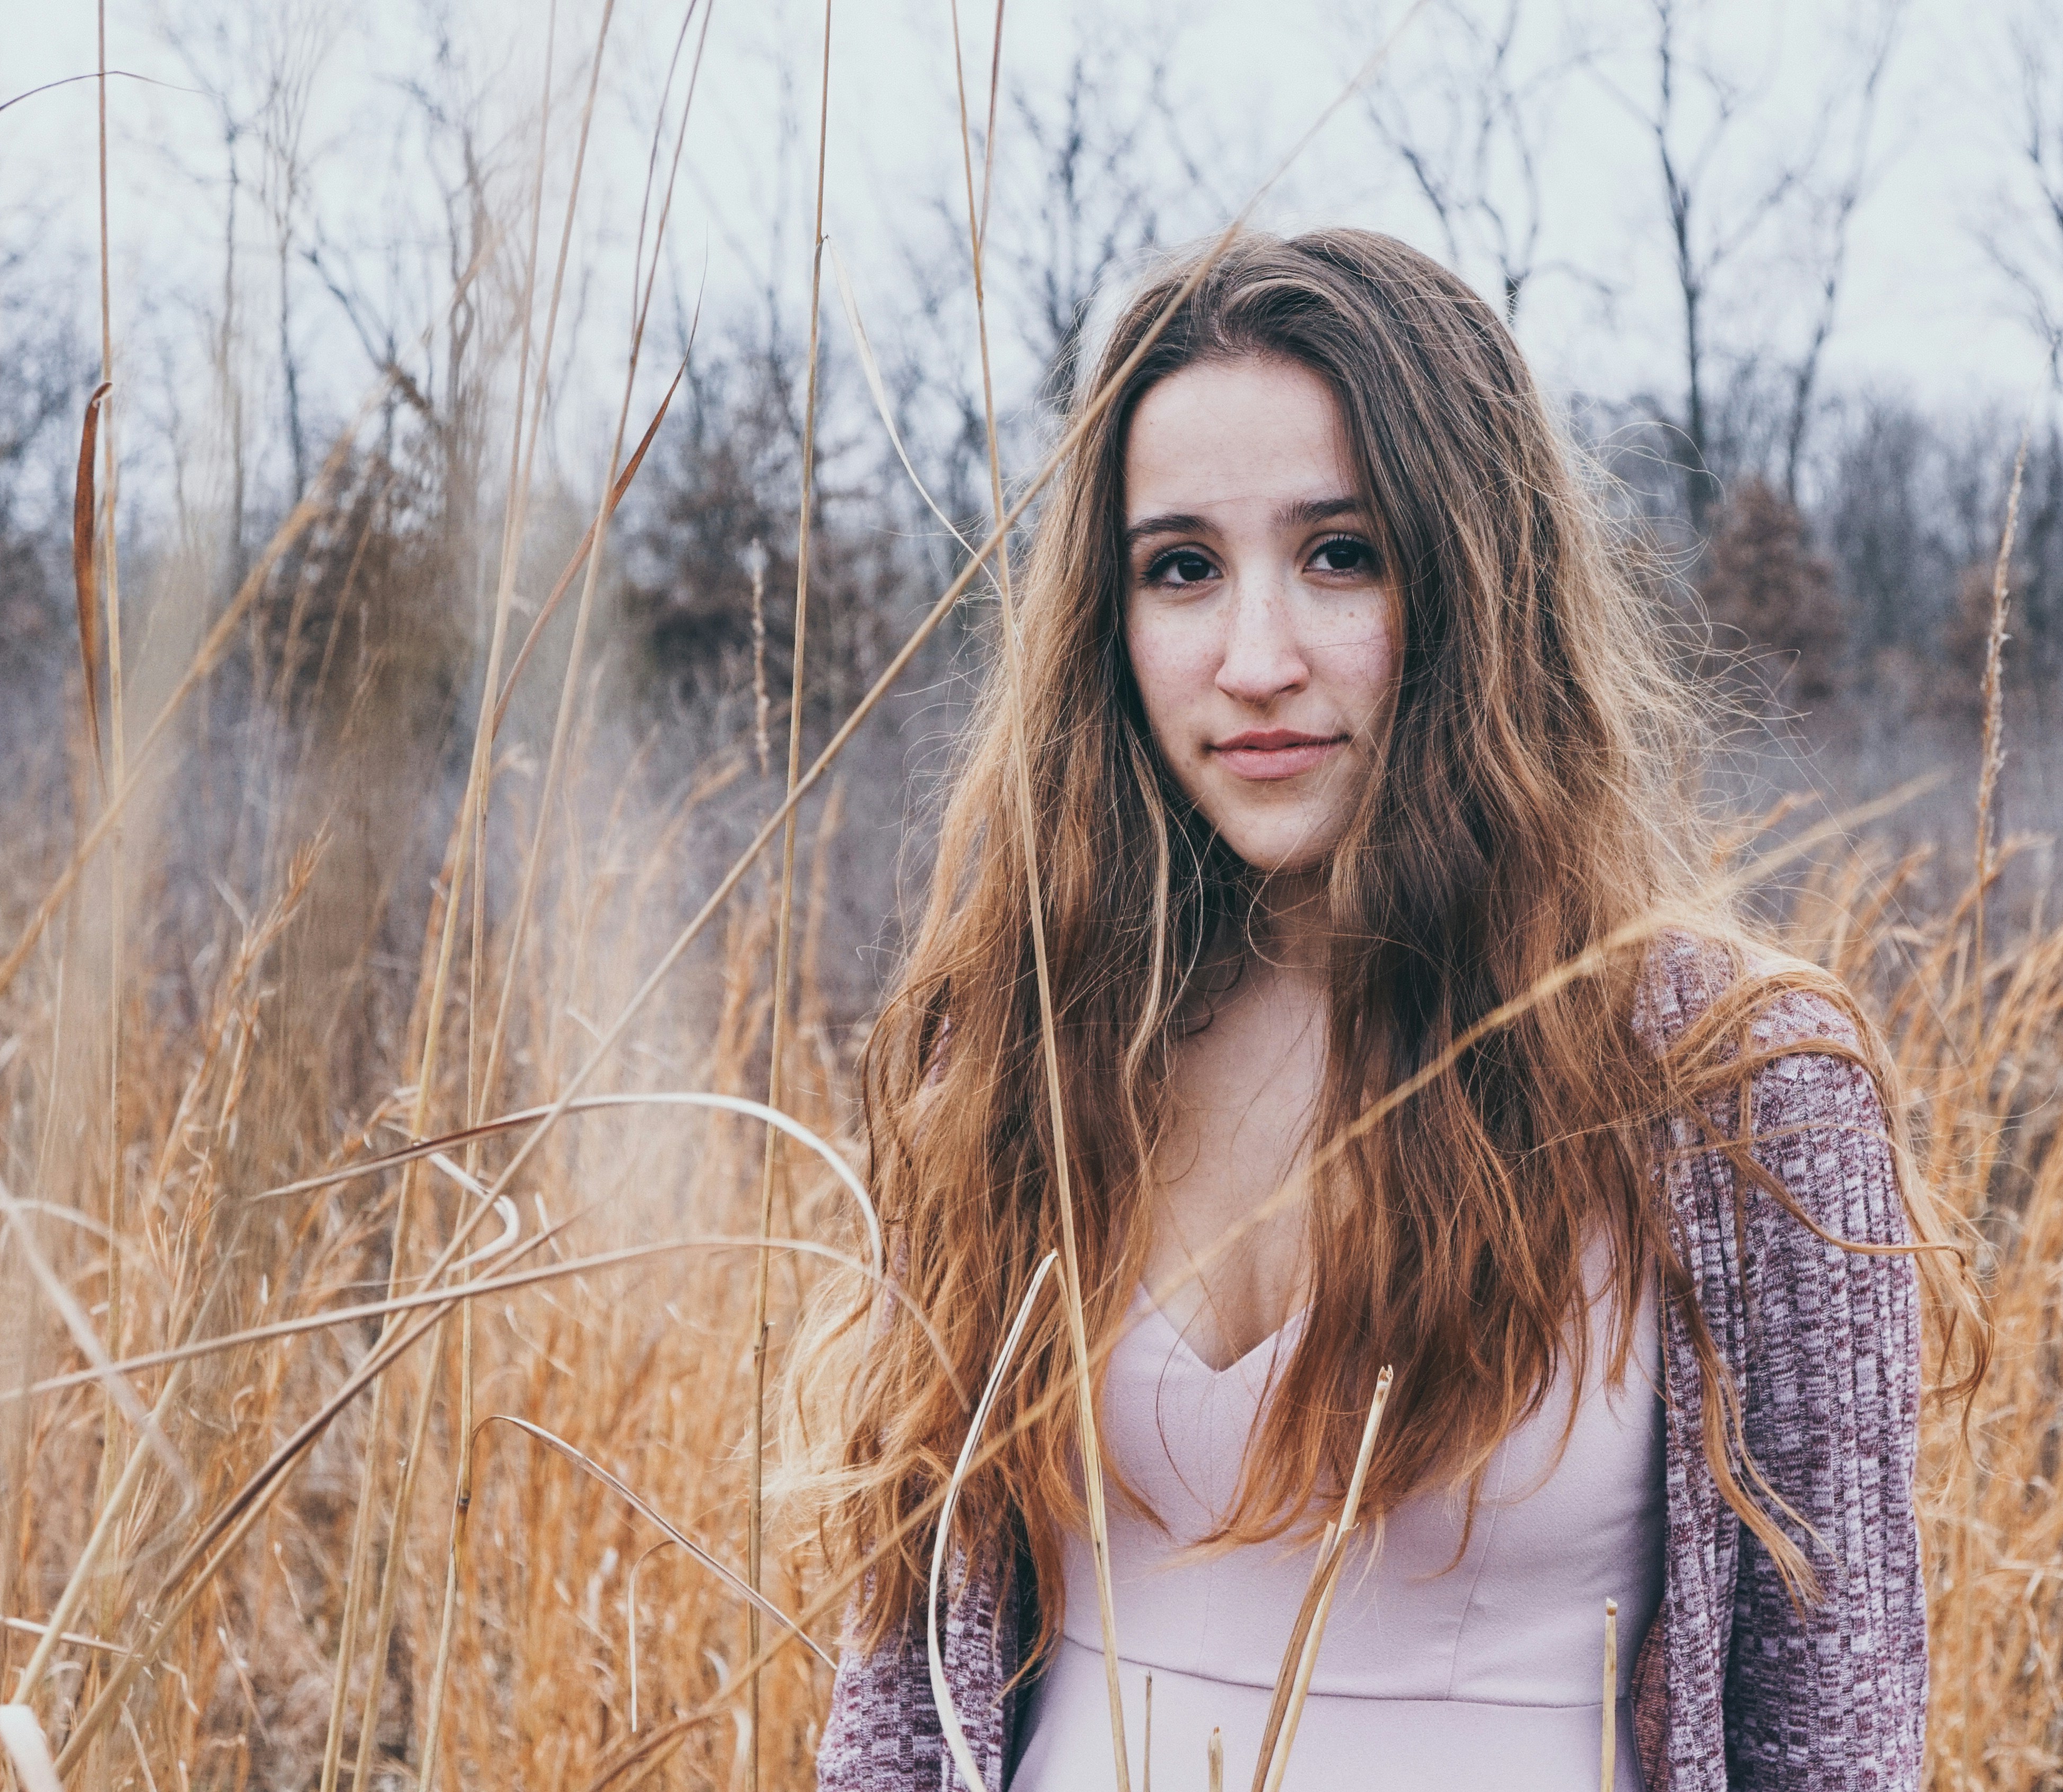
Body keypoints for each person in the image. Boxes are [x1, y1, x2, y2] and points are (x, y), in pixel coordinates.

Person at [805, 227, 1975, 1792]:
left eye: (1341, 554)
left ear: (1482, 589)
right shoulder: (1024, 1042)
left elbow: (1837, 1729)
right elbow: (898, 1694)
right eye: (1182, 568)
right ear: (1108, 622)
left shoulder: (1732, 1080)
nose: (1256, 659)